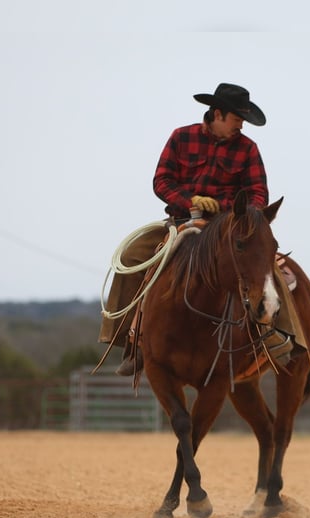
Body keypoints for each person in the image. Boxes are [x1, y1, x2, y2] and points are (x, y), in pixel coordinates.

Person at [99, 83, 295, 376]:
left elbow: (258, 194)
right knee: (130, 256)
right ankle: (131, 340)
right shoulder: (181, 137)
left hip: (228, 228)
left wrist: (227, 209)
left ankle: (282, 338)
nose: (241, 125)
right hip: (181, 222)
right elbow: (162, 181)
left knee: (271, 267)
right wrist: (189, 200)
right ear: (217, 113)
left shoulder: (247, 148)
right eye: (237, 118)